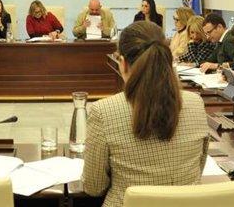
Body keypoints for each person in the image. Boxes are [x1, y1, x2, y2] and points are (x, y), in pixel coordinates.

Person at [82, 21, 208, 207]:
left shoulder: (103, 112)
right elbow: (199, 168)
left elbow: (93, 187)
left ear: (122, 63)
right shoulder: (196, 104)